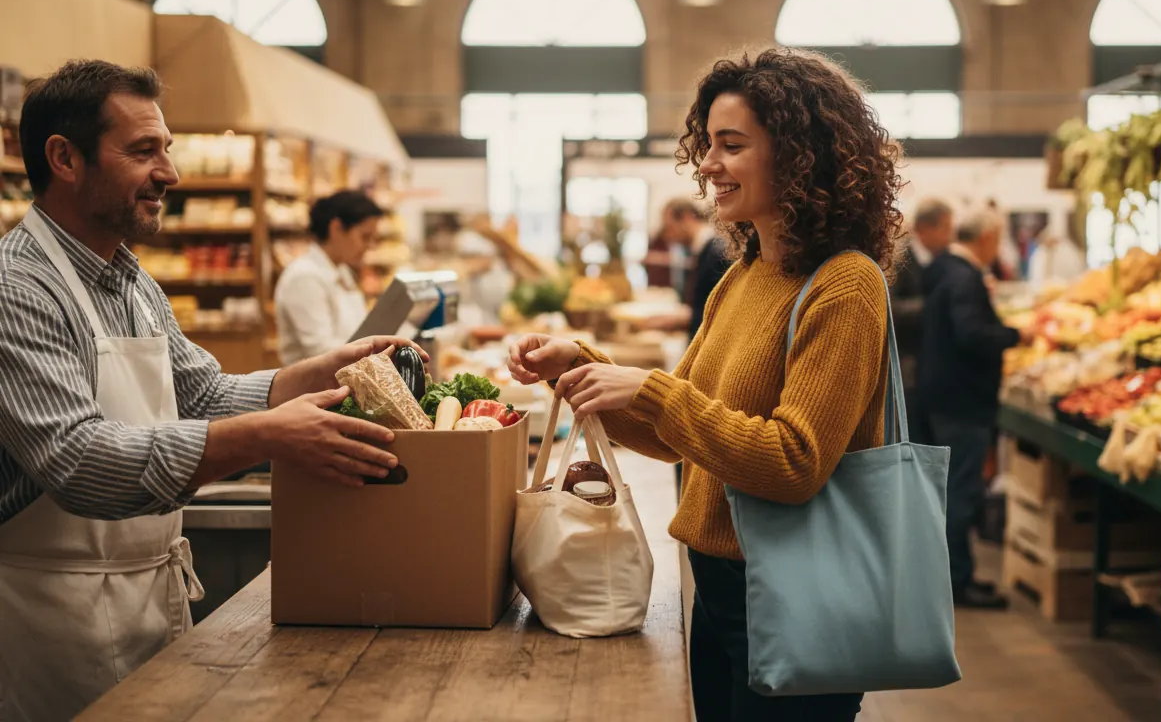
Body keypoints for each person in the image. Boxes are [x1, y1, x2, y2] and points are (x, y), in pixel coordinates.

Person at [0, 60, 418, 721]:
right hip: (50, 624)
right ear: (65, 158)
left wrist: (314, 373)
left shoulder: (132, 282)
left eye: (166, 149)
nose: (170, 173)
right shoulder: (16, 291)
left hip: (146, 601)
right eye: (145, 151)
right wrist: (268, 437)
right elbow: (79, 462)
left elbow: (198, 394)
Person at [507, 49, 900, 721]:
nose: (707, 165)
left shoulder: (845, 284)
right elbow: (675, 437)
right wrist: (583, 367)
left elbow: (793, 463)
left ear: (798, 154)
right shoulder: (742, 276)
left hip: (800, 591)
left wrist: (654, 391)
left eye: (732, 145)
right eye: (706, 145)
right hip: (718, 585)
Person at [919, 209, 1034, 610]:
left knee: (950, 490)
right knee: (961, 492)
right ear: (985, 238)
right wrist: (1016, 335)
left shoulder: (941, 268)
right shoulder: (964, 277)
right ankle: (956, 582)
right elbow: (970, 334)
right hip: (962, 400)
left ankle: (951, 576)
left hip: (941, 395)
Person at [274, 191, 384, 366]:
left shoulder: (341, 269)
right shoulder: (304, 277)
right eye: (364, 237)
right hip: (315, 389)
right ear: (336, 228)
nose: (369, 246)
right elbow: (320, 351)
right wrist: (375, 347)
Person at [890, 198, 953, 445]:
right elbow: (890, 309)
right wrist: (931, 307)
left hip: (931, 368)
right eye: (946, 228)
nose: (950, 235)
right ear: (926, 229)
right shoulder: (900, 258)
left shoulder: (943, 259)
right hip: (908, 370)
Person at [651, 198, 732, 338]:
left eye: (670, 227)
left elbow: (721, 312)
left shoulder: (717, 252)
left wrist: (679, 320)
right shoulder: (703, 250)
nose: (670, 237)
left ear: (687, 218)